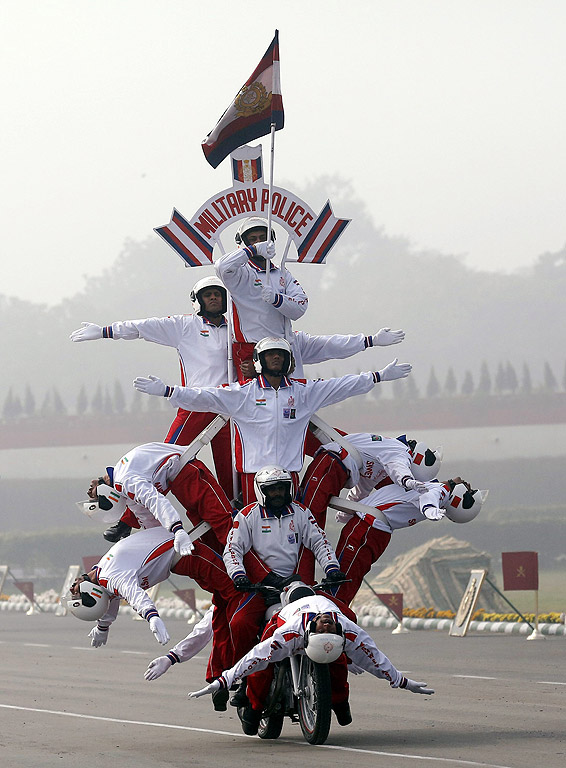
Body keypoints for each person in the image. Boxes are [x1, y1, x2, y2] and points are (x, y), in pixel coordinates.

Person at [133, 336, 412, 505]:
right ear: (258, 361)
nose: (276, 358)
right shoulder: (241, 395)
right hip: (252, 478)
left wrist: (379, 376)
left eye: (280, 354)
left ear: (289, 360)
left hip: (290, 475)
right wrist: (168, 391)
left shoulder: (304, 393)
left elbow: (341, 385)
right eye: (269, 354)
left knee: (292, 535)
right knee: (254, 535)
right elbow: (202, 396)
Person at [69, 277, 235, 499]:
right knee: (163, 461)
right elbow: (143, 327)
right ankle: (129, 517)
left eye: (217, 294)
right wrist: (106, 331)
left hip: (229, 408)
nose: (214, 297)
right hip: (196, 404)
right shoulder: (184, 325)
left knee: (232, 473)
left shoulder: (236, 330)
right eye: (208, 294)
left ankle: (236, 517)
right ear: (198, 300)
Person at [187, 587, 434, 735]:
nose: (326, 624)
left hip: (316, 600)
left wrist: (401, 681)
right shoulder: (289, 633)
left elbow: (375, 660)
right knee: (264, 666)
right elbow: (255, 658)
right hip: (283, 616)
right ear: (309, 632)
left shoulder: (347, 629)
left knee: (340, 662)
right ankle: (253, 705)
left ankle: (340, 701)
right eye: (324, 626)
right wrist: (223, 681)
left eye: (328, 627)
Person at [66, 525, 259, 710]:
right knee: (231, 602)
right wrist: (103, 626)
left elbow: (132, 594)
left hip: (184, 551)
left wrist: (152, 616)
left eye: (74, 592)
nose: (71, 587)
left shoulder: (112, 578)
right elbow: (111, 597)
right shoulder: (101, 576)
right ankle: (238, 676)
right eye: (74, 592)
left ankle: (227, 674)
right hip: (186, 556)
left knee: (232, 601)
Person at [222, 466, 346, 659]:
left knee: (344, 617)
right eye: (272, 489)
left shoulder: (301, 512)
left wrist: (332, 569)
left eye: (282, 488)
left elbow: (320, 542)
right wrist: (239, 575)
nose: (278, 493)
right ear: (260, 491)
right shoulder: (247, 516)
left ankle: (342, 666)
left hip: (299, 586)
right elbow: (232, 549)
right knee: (240, 623)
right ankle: (245, 676)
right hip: (262, 589)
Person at [295, 433, 443, 582]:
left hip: (336, 468)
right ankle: (302, 578)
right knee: (309, 522)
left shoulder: (380, 461)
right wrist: (407, 481)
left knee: (311, 523)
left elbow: (362, 489)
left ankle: (303, 577)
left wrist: (344, 515)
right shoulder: (399, 450)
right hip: (332, 463)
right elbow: (398, 466)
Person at [331, 477, 489, 605]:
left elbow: (431, 497)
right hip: (372, 529)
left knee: (343, 583)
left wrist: (430, 509)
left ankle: (329, 618)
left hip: (369, 529)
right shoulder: (428, 484)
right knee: (345, 583)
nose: (465, 482)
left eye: (469, 490)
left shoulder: (441, 491)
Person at [87, 441, 235, 552]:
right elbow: (148, 519)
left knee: (223, 524)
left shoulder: (125, 482)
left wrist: (177, 529)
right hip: (178, 482)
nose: (89, 492)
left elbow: (155, 501)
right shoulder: (125, 488)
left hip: (187, 471)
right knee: (210, 539)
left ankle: (254, 573)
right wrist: (160, 546)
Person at [215, 217, 308, 381]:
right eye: (253, 239)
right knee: (254, 403)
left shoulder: (282, 274)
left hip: (282, 348)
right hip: (250, 349)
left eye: (262, 238)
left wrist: (277, 299)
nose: (259, 242)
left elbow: (300, 307)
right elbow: (221, 267)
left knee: (287, 402)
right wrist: (254, 250)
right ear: (244, 243)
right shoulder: (240, 274)